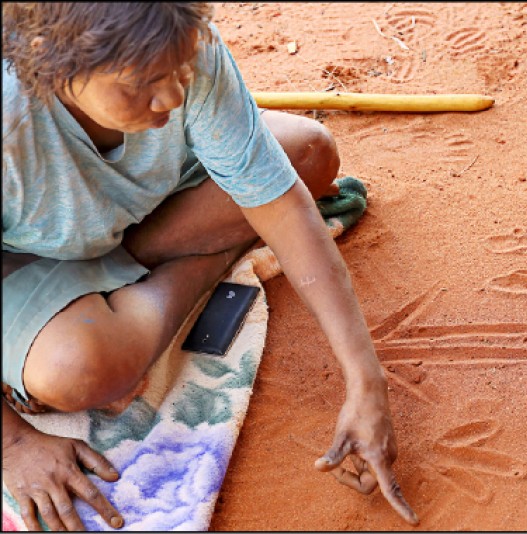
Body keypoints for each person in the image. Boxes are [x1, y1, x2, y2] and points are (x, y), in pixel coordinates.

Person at [1, 3, 418, 530]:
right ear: (52, 62)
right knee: (80, 371)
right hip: (25, 254)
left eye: (180, 71)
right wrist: (14, 445)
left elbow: (284, 207)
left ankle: (128, 264)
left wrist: (366, 381)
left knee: (308, 154)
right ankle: (201, 253)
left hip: (132, 217)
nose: (174, 98)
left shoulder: (174, 41)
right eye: (144, 83)